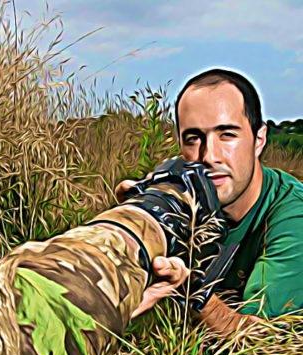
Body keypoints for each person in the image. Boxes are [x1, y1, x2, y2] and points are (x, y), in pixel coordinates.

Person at [116, 68, 303, 336]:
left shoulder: (293, 217)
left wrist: (189, 288)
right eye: (194, 138)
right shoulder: (189, 190)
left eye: (227, 135)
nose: (209, 156)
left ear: (259, 139)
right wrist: (138, 220)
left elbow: (260, 341)